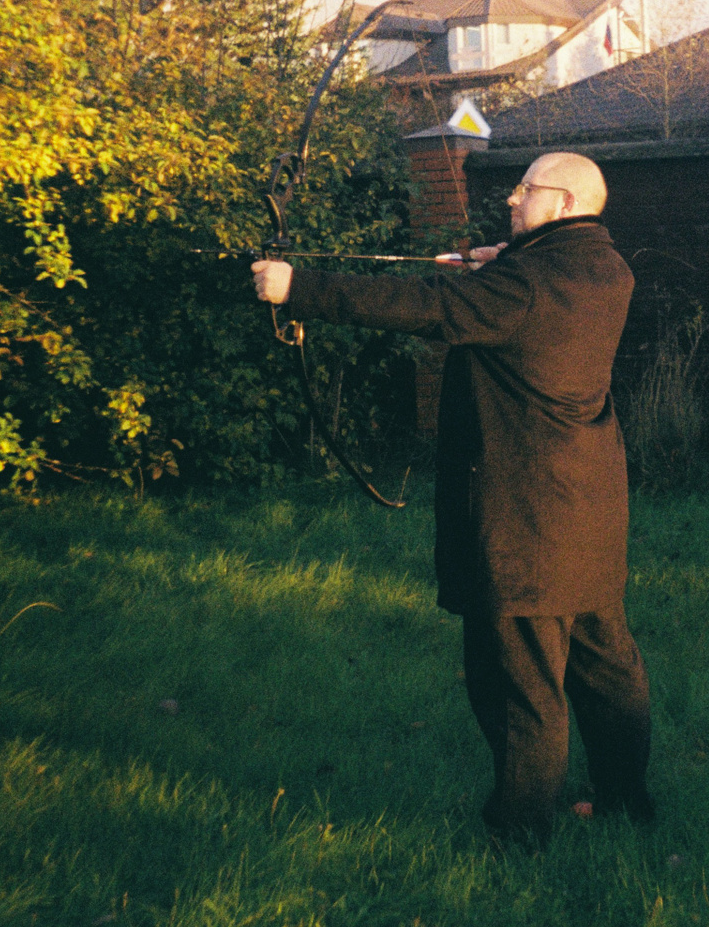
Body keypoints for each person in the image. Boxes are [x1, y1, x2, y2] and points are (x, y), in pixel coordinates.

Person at [251, 151, 654, 846]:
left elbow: (425, 307)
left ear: (563, 204)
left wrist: (298, 287)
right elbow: (534, 285)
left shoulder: (523, 285)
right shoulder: (606, 268)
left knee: (520, 686)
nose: (512, 199)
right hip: (587, 511)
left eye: (526, 190)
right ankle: (625, 802)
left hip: (527, 519)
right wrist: (504, 260)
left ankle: (519, 836)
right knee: (607, 667)